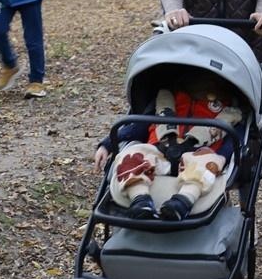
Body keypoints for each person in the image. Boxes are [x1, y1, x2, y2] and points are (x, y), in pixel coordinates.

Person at [93, 71, 243, 220]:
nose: (206, 84)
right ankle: (140, 199)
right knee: (133, 153)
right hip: (159, 153)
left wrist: (222, 160)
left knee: (210, 161)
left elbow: (232, 144)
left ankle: (183, 201)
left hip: (196, 157)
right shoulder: (169, 99)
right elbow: (137, 127)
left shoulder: (227, 111)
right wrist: (107, 144)